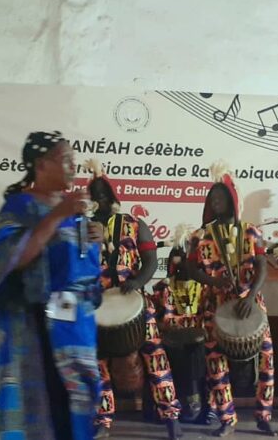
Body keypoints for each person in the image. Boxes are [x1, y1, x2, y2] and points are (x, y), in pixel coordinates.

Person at [0, 131, 104, 440]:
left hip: (75, 324)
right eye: (67, 160)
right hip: (35, 323)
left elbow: (79, 264)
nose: (73, 166)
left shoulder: (72, 208)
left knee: (76, 401)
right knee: (47, 402)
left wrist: (93, 238)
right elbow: (13, 257)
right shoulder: (20, 206)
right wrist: (59, 215)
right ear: (42, 165)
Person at [85, 160, 182, 440]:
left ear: (113, 197)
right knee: (97, 363)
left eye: (105, 193)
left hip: (136, 303)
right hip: (98, 305)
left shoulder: (133, 224)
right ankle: (103, 420)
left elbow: (151, 260)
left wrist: (138, 282)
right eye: (95, 193)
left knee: (155, 358)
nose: (100, 198)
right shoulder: (83, 227)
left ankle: (171, 416)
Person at [186, 162, 278, 437]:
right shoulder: (200, 236)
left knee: (266, 361)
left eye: (221, 198)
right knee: (215, 363)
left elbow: (262, 266)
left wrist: (251, 296)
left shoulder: (251, 231)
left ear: (231, 200)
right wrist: (214, 282)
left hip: (250, 304)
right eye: (212, 199)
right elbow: (191, 269)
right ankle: (227, 418)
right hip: (214, 305)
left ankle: (263, 417)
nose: (216, 202)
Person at [151, 224, 207, 423]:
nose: (181, 263)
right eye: (177, 259)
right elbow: (161, 318)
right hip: (172, 341)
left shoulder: (204, 287)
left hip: (197, 341)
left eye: (185, 259)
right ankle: (173, 405)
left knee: (197, 349)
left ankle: (199, 404)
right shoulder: (165, 288)